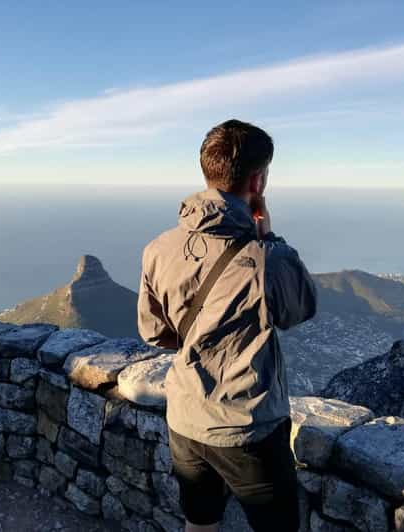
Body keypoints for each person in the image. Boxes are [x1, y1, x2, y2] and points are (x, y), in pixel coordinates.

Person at [137, 119, 317, 532]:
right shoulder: (267, 259)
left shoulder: (158, 248)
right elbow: (300, 309)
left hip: (184, 416)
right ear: (258, 181)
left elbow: (154, 333)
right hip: (249, 429)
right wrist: (269, 236)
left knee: (199, 522)